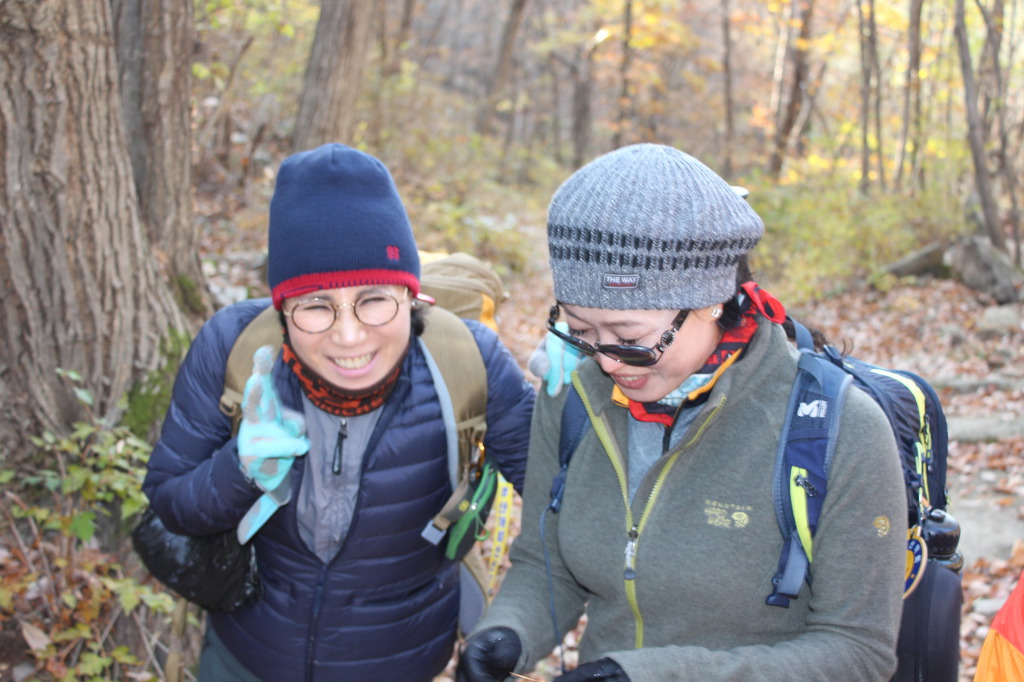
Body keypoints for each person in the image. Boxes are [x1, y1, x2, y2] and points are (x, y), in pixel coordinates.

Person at [456, 144, 906, 682]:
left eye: (630, 338)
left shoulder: (839, 430)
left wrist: (652, 676)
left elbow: (858, 651)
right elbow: (545, 563)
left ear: (712, 301)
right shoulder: (574, 396)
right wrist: (508, 633)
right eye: (580, 331)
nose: (607, 362)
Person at [142, 143, 535, 681]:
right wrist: (239, 471)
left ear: (411, 296)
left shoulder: (468, 361)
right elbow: (170, 503)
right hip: (245, 659)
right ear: (283, 310)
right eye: (315, 305)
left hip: (401, 664)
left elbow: (568, 499)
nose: (349, 336)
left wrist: (581, 405)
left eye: (374, 299)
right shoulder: (232, 346)